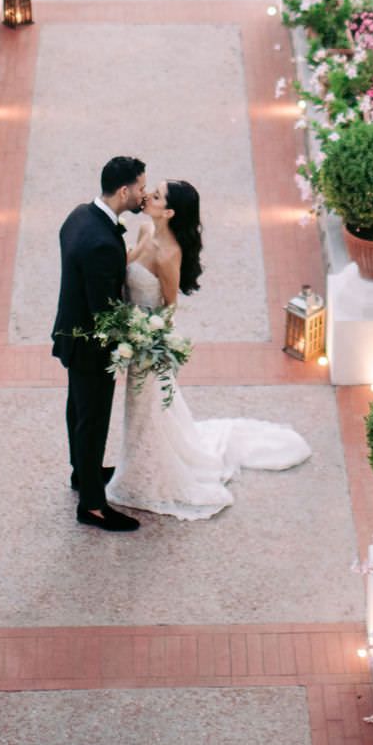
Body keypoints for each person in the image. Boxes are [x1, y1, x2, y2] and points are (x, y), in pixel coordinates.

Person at [105, 179, 311, 520]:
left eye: (156, 196)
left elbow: (169, 308)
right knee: (139, 409)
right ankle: (136, 465)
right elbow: (126, 268)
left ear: (168, 211)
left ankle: (146, 475)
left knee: (147, 408)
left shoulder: (170, 253)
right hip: (132, 332)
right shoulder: (144, 231)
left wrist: (145, 337)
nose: (148, 197)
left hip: (147, 344)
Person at [51, 155, 145, 532]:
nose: (143, 193)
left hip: (69, 332)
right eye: (140, 187)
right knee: (92, 421)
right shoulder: (102, 244)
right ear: (124, 190)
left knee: (77, 410)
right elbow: (105, 311)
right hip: (91, 347)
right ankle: (91, 505)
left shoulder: (78, 216)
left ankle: (82, 472)